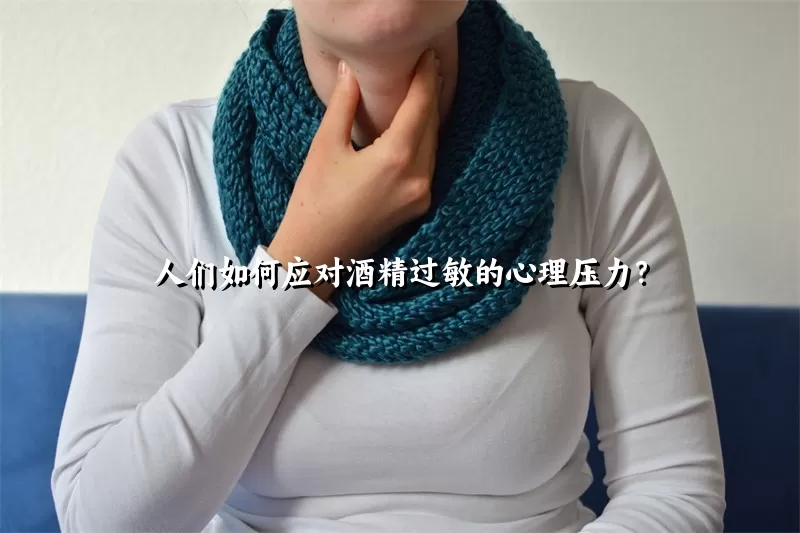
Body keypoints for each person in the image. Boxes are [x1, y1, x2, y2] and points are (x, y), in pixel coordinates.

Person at [51, 1, 725, 532]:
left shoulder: (596, 142)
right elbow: (100, 519)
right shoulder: (170, 163)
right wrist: (303, 261)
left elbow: (675, 489)